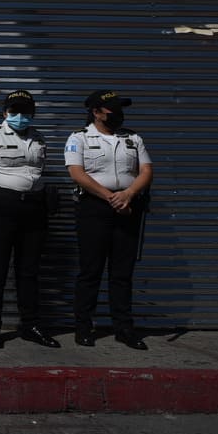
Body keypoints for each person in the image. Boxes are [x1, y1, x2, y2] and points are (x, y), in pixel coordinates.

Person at [0, 90, 60, 350]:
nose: (20, 116)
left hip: (34, 208)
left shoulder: (39, 138)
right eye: (14, 111)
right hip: (2, 208)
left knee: (29, 271)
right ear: (5, 112)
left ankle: (30, 325)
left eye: (25, 111)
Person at [65, 90, 154, 350]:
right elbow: (77, 173)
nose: (119, 114)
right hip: (94, 209)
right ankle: (83, 327)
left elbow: (146, 170)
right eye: (112, 110)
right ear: (96, 112)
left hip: (128, 207)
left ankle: (124, 328)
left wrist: (128, 194)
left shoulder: (133, 138)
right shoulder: (79, 138)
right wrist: (109, 197)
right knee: (90, 272)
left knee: (122, 273)